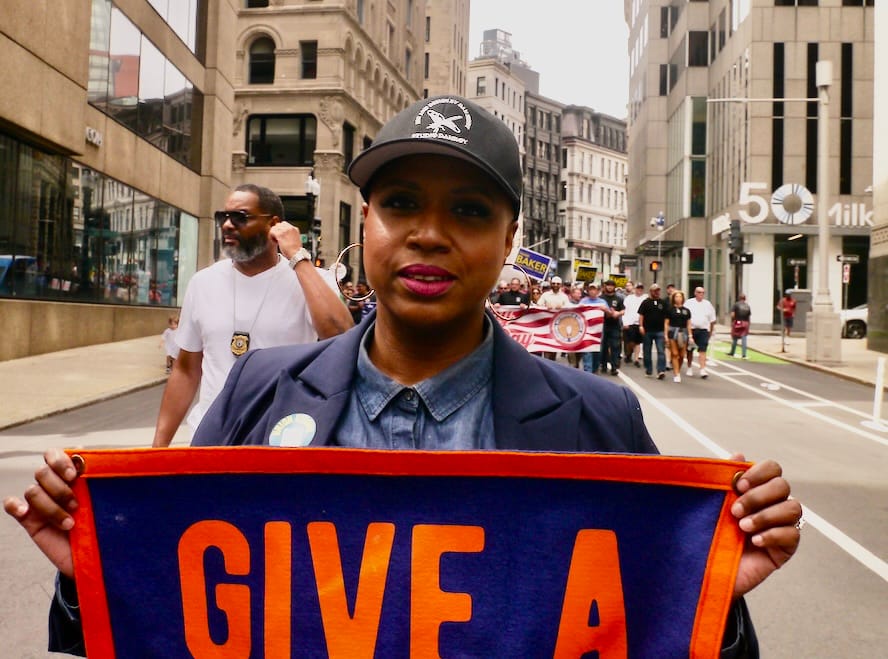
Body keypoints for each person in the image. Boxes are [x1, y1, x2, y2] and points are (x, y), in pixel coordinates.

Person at [4, 94, 800, 658]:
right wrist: (99, 571)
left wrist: (713, 592)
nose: (428, 234)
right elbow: (188, 613)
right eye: (402, 203)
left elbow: (650, 630)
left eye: (470, 211)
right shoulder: (258, 391)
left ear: (510, 236)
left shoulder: (601, 418)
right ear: (367, 221)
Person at [151, 183, 354, 447]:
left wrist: (297, 257)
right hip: (211, 439)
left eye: (240, 217)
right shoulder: (203, 282)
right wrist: (158, 447)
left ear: (274, 224)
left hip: (281, 440)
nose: (226, 225)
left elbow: (343, 336)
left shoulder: (308, 280)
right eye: (223, 217)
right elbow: (186, 371)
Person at [685, 286, 717, 378]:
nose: (700, 294)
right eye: (699, 292)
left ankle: (702, 369)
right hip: (692, 329)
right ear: (695, 293)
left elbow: (712, 320)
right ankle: (689, 367)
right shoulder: (689, 303)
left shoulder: (707, 304)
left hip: (703, 330)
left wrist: (710, 331)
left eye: (702, 292)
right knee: (690, 349)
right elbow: (686, 318)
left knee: (703, 349)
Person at [638, 283, 668, 379]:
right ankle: (649, 369)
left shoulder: (663, 303)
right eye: (655, 291)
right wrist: (641, 326)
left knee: (661, 351)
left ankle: (661, 370)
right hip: (648, 330)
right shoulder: (645, 302)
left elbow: (666, 317)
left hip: (660, 330)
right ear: (651, 291)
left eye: (658, 290)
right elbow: (641, 315)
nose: (657, 292)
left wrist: (666, 331)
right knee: (647, 351)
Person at [537, 275, 570, 360]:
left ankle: (552, 362)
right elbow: (538, 306)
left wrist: (561, 309)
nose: (555, 285)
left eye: (558, 284)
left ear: (561, 285)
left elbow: (569, 309)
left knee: (554, 347)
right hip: (546, 324)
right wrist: (545, 308)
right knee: (546, 346)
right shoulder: (545, 295)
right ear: (551, 284)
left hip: (558, 325)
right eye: (554, 283)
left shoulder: (564, 297)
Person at [579, 282, 607, 375]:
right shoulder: (583, 302)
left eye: (594, 289)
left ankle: (595, 369)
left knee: (597, 352)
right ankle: (588, 372)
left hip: (598, 331)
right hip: (586, 331)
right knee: (587, 352)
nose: (592, 291)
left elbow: (610, 314)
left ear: (598, 291)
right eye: (590, 289)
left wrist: (606, 310)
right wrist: (579, 308)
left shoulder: (602, 302)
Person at [599, 279, 625, 376]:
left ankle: (614, 366)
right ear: (605, 286)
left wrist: (618, 313)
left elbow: (623, 310)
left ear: (614, 287)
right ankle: (604, 364)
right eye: (608, 285)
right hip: (603, 324)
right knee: (604, 345)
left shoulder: (618, 298)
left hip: (615, 324)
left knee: (615, 346)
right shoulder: (601, 298)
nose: (610, 287)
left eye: (612, 285)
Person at [665, 290, 692, 383]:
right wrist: (666, 335)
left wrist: (690, 335)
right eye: (676, 297)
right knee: (675, 353)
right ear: (673, 298)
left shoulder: (686, 310)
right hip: (673, 331)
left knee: (681, 355)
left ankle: (677, 369)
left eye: (680, 297)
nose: (678, 298)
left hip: (683, 332)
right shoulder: (670, 309)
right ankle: (676, 373)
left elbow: (688, 324)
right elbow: (666, 323)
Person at [622, 282, 647, 368]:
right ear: (635, 289)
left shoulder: (645, 299)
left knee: (638, 342)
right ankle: (629, 354)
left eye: (641, 289)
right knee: (630, 342)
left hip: (639, 323)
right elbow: (625, 310)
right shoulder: (629, 298)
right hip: (630, 322)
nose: (639, 290)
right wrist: (625, 322)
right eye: (638, 288)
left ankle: (636, 359)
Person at [730, 293, 752, 358]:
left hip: (738, 321)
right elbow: (749, 316)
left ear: (739, 298)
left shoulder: (736, 305)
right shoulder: (747, 306)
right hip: (745, 322)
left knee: (735, 337)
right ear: (745, 299)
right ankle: (744, 354)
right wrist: (748, 325)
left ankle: (732, 352)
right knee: (744, 337)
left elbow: (732, 314)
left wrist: (732, 322)